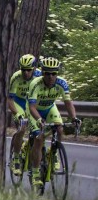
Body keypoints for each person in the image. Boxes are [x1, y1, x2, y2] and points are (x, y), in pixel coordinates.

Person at [27, 57, 79, 192]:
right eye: (47, 73)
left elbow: (68, 103)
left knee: (60, 129)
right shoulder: (35, 84)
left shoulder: (62, 83)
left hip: (50, 108)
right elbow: (31, 107)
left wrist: (73, 118)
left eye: (54, 73)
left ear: (57, 74)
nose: (51, 77)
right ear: (43, 73)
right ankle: (36, 172)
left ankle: (54, 152)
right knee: (39, 139)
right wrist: (39, 120)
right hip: (35, 111)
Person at [7, 54, 39, 177]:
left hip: (31, 102)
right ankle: (15, 158)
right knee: (22, 128)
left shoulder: (39, 76)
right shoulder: (16, 77)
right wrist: (17, 115)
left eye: (28, 70)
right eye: (23, 70)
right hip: (19, 102)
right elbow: (9, 100)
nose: (26, 73)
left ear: (34, 69)